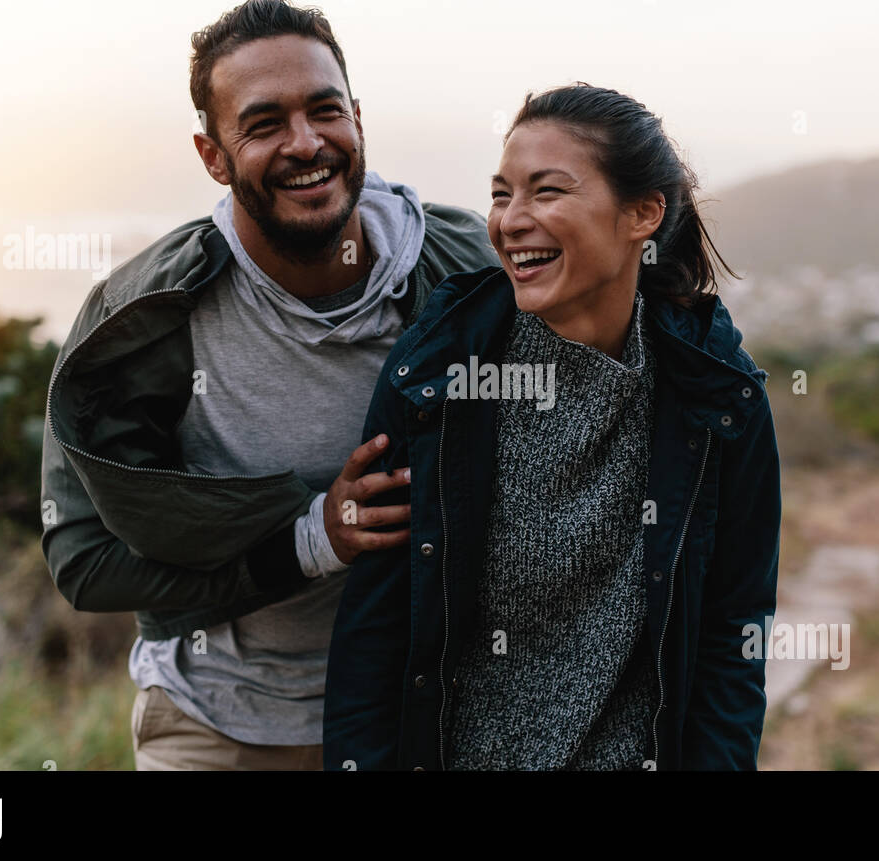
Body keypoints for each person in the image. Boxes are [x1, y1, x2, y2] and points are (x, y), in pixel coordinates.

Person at [39, 0, 497, 770]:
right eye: (263, 124)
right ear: (212, 155)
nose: (305, 143)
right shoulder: (140, 318)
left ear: (357, 118)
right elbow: (83, 558)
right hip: (215, 727)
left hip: (421, 720)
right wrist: (313, 539)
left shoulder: (463, 269)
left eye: (325, 110)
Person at [323, 83, 781, 771]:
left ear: (642, 214)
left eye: (547, 191)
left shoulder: (717, 397)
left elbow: (732, 636)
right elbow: (377, 634)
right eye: (502, 193)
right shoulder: (436, 375)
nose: (510, 220)